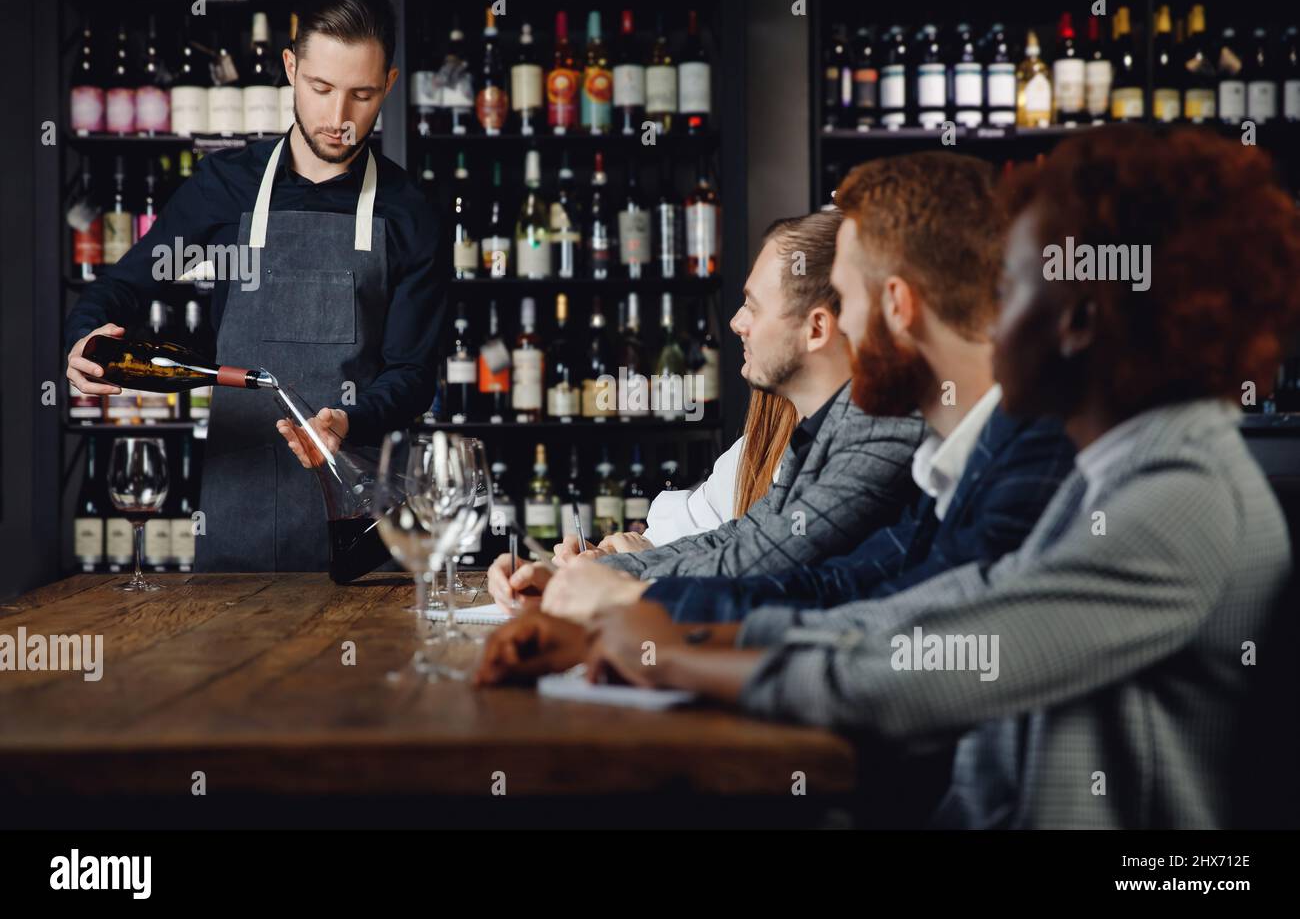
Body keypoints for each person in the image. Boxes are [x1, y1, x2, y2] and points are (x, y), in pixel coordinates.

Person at [476, 126, 1300, 829]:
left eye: (1008, 284)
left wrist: (668, 654)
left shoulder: (1179, 492)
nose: (981, 308)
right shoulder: (1115, 470)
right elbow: (922, 611)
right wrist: (644, 636)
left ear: (1082, 319)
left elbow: (934, 666)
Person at [585, 152, 1077, 624]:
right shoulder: (954, 457)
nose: (844, 328)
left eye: (847, 300)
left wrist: (639, 601)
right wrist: (623, 588)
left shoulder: (1029, 457)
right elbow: (843, 588)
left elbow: (900, 637)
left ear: (897, 306)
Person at [63, 0, 443, 572]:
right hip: (235, 502)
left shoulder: (410, 211)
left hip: (362, 507)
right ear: (291, 69)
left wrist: (350, 419)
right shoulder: (226, 185)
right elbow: (126, 284)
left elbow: (413, 374)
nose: (338, 118)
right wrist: (86, 332)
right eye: (320, 89)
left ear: (388, 85)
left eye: (361, 95)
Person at [487, 209, 926, 603]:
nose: (735, 322)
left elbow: (762, 560)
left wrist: (613, 586)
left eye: (753, 306)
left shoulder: (878, 424)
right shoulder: (819, 429)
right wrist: (583, 572)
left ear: (816, 330)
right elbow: (742, 537)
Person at [601, 389, 798, 556]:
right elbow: (689, 527)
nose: (741, 340)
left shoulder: (816, 462)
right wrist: (608, 557)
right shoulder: (752, 450)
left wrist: (645, 564)